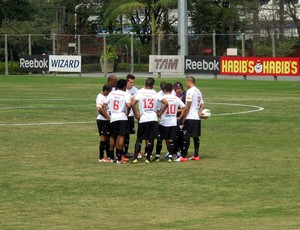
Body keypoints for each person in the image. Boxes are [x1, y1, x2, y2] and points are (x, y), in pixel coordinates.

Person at [131, 77, 168, 164]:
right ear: (152, 85)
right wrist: (160, 113)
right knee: (151, 139)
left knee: (139, 139)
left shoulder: (140, 92)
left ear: (145, 84)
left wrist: (136, 114)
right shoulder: (155, 93)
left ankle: (135, 158)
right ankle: (148, 158)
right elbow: (166, 103)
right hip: (153, 118)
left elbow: (132, 103)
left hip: (143, 118)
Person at [154, 83, 186, 162]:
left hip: (164, 121)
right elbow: (185, 107)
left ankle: (157, 156)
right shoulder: (176, 98)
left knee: (160, 139)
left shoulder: (162, 98)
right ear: (172, 90)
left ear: (164, 90)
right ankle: (170, 156)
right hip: (173, 121)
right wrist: (179, 117)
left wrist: (159, 114)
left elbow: (158, 110)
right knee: (171, 140)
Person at [176, 76, 205, 162]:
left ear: (189, 81)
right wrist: (200, 111)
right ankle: (196, 155)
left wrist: (184, 116)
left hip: (190, 117)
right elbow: (202, 105)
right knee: (195, 137)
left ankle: (184, 156)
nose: (186, 84)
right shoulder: (198, 91)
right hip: (197, 118)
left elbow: (188, 105)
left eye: (186, 82)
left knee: (186, 136)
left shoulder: (190, 91)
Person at [102, 79, 131, 164]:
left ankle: (111, 157)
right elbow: (129, 105)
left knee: (112, 137)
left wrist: (107, 116)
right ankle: (119, 158)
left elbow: (104, 105)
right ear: (125, 86)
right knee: (121, 137)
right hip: (122, 117)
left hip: (113, 117)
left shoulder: (111, 93)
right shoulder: (125, 94)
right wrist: (127, 113)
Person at [96, 84, 112, 163]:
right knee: (103, 138)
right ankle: (101, 157)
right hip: (102, 120)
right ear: (106, 91)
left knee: (107, 138)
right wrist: (106, 116)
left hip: (106, 120)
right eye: (109, 91)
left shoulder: (105, 97)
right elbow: (99, 109)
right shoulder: (100, 97)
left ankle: (109, 156)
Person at [124, 74, 138, 158]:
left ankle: (126, 151)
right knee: (121, 133)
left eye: (133, 82)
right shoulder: (122, 89)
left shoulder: (135, 90)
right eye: (131, 82)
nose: (132, 84)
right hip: (122, 115)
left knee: (128, 133)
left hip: (130, 115)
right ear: (127, 81)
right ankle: (120, 150)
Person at [173, 82, 186, 157]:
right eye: (176, 88)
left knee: (181, 135)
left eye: (179, 88)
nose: (178, 90)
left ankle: (181, 151)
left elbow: (185, 108)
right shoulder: (175, 95)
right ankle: (176, 150)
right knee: (176, 135)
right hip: (176, 118)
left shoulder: (184, 95)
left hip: (182, 118)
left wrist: (176, 111)